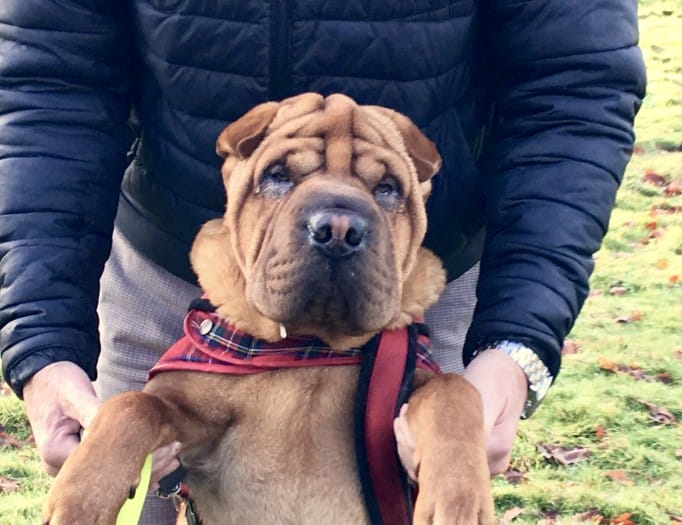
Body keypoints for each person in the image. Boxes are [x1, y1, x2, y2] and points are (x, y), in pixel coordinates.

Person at [0, 1, 645, 523]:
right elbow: (52, 76)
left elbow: (575, 81)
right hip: (174, 261)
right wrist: (42, 336)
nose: (335, 226)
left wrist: (515, 346)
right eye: (282, 176)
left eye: (385, 186)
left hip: (420, 279)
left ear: (416, 185)